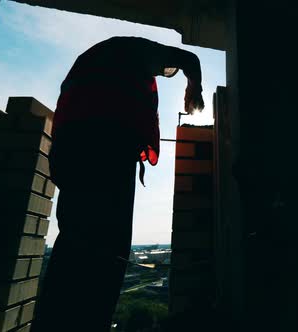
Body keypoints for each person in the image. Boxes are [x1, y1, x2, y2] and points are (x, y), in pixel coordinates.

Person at [32, 37, 205, 332]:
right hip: (108, 148)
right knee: (107, 249)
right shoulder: (137, 51)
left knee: (75, 242)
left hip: (70, 151)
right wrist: (194, 89)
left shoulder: (95, 62)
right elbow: (190, 58)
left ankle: (56, 322)